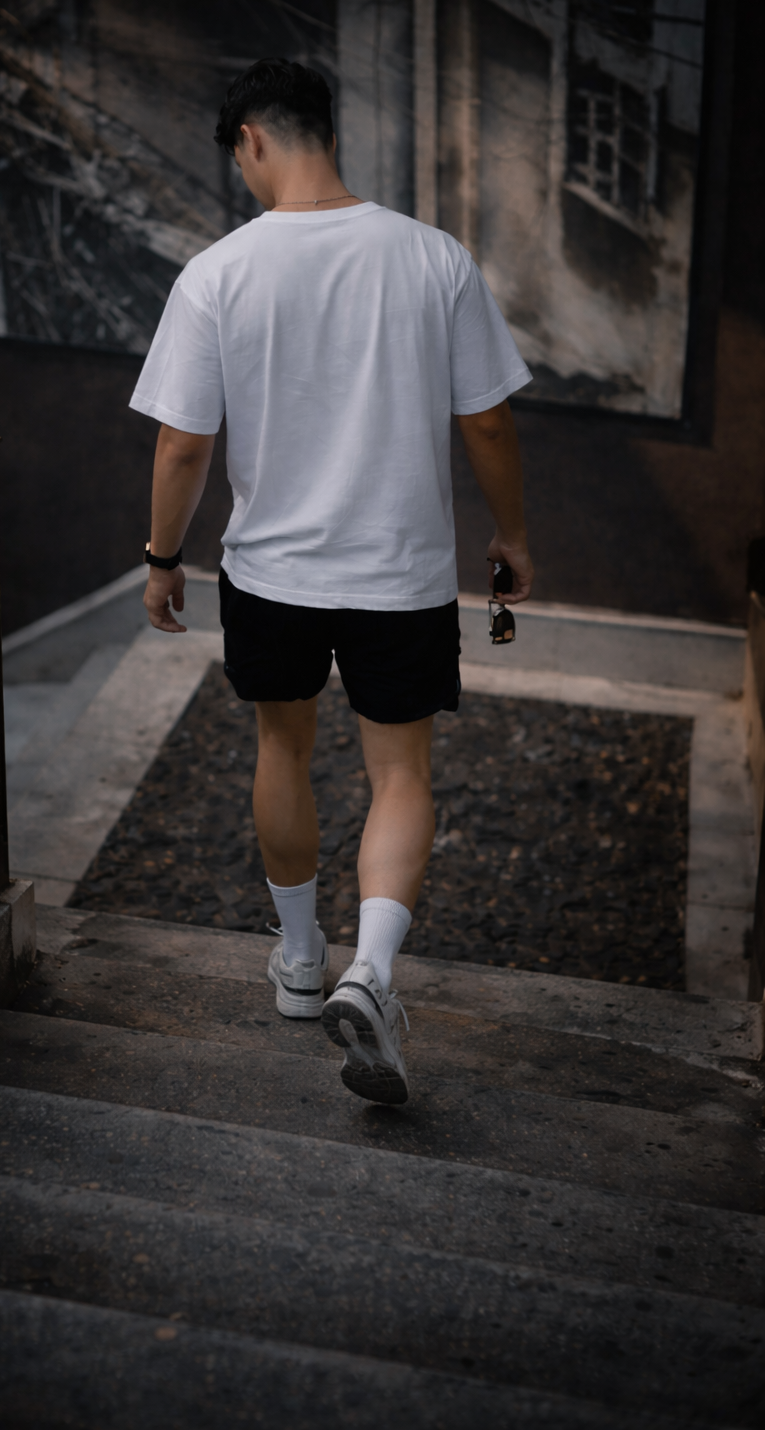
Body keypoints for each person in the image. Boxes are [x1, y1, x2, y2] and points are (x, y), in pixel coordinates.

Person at [130, 58, 534, 1106]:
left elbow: (183, 444)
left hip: (272, 574)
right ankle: (374, 973)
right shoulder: (433, 257)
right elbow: (489, 422)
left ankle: (304, 960)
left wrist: (164, 559)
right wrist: (511, 534)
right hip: (400, 572)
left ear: (251, 140)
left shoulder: (217, 272)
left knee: (285, 747)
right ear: (325, 132)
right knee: (399, 774)